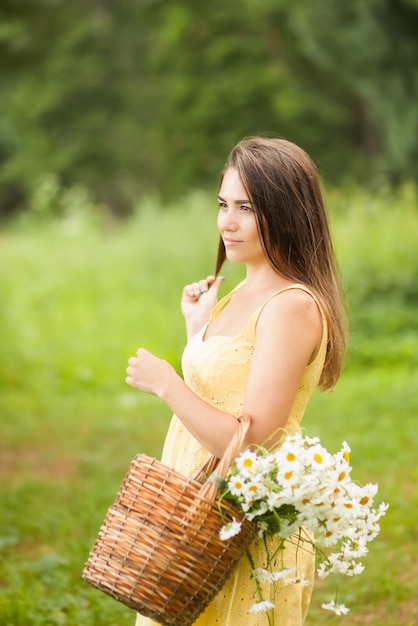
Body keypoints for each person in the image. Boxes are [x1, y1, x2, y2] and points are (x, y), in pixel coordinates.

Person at [125, 136, 347, 625]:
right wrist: (197, 331)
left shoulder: (290, 305)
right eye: (223, 204)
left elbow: (252, 448)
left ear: (287, 212)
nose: (227, 222)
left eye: (246, 207)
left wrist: (167, 383)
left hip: (240, 520)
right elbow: (224, 389)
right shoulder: (239, 291)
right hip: (197, 511)